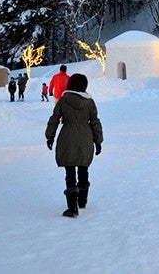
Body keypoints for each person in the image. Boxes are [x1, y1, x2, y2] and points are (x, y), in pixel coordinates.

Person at [45, 73, 104, 218]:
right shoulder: (90, 102)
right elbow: (95, 122)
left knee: (70, 170)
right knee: (83, 168)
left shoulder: (64, 100)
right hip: (85, 137)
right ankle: (82, 201)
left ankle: (72, 208)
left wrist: (50, 136)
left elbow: (54, 119)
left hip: (67, 137)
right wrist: (98, 140)